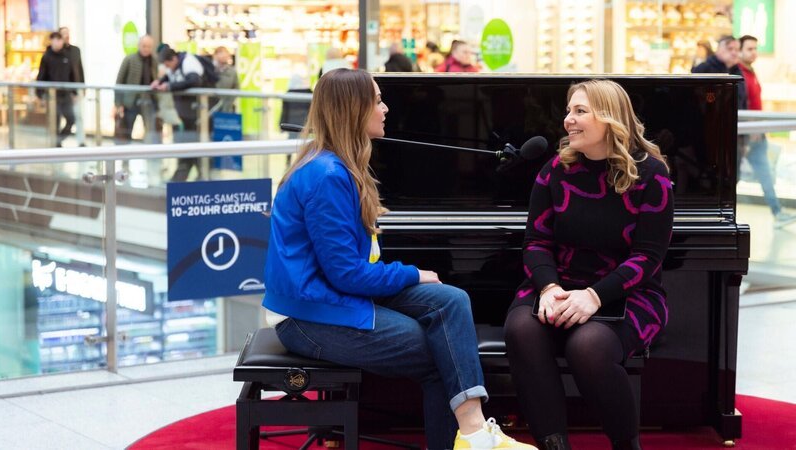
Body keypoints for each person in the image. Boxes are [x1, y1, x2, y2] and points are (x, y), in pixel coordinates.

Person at [263, 68, 536, 450]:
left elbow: (346, 271)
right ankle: (474, 438)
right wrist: (411, 273)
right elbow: (347, 275)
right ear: (354, 110)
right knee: (443, 353)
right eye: (377, 100)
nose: (386, 108)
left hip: (327, 297)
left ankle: (473, 434)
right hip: (307, 314)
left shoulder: (335, 164)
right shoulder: (327, 176)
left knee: (452, 300)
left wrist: (409, 277)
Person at [504, 80, 674, 450]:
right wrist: (549, 288)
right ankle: (554, 446)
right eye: (569, 111)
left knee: (589, 347)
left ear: (611, 118)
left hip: (629, 293)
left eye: (580, 111)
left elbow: (648, 257)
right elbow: (536, 242)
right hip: (560, 286)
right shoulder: (555, 170)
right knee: (522, 329)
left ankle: (627, 446)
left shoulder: (651, 175)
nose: (568, 120)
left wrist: (595, 297)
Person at [737, 35, 796, 227]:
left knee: (765, 173)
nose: (754, 52)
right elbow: (743, 106)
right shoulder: (739, 74)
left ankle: (777, 212)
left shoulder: (751, 72)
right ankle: (724, 212)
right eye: (750, 49)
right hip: (746, 133)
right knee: (736, 176)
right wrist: (750, 131)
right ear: (740, 50)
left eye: (756, 48)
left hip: (756, 132)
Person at [152, 47, 206, 181]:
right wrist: (159, 82)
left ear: (174, 59)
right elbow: (169, 75)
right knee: (188, 143)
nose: (167, 67)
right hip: (184, 113)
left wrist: (170, 86)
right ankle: (193, 174)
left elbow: (194, 81)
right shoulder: (175, 65)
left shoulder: (188, 62)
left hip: (198, 111)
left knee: (192, 143)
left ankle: (193, 174)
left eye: (167, 64)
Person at [114, 35, 158, 144]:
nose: (146, 49)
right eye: (144, 46)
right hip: (131, 101)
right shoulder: (129, 59)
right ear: (139, 45)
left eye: (149, 46)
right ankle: (126, 157)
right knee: (127, 129)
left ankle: (150, 156)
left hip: (149, 100)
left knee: (150, 130)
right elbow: (119, 81)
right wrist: (118, 103)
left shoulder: (154, 61)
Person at [37, 31, 76, 147]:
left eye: (59, 40)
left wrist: (74, 92)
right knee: (55, 121)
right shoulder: (46, 57)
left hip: (66, 94)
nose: (57, 42)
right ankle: (56, 145)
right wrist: (40, 95)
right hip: (52, 96)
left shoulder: (67, 56)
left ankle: (59, 140)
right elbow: (41, 76)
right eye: (54, 40)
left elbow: (72, 75)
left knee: (71, 119)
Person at [691, 35, 746, 109]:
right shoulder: (704, 69)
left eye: (737, 50)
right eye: (730, 49)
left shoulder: (738, 72)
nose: (734, 53)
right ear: (718, 49)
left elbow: (743, 100)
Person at [59, 26, 85, 146]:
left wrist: (82, 87)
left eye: (68, 33)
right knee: (66, 117)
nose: (67, 35)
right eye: (64, 34)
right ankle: (59, 139)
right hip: (62, 92)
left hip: (76, 89)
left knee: (78, 115)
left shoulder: (75, 50)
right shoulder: (57, 53)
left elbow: (80, 69)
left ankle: (81, 141)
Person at [213, 46, 239, 113]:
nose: (224, 56)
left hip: (227, 107)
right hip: (211, 106)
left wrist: (230, 101)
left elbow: (236, 87)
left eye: (226, 54)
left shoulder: (232, 71)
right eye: (221, 53)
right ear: (215, 56)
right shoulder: (210, 69)